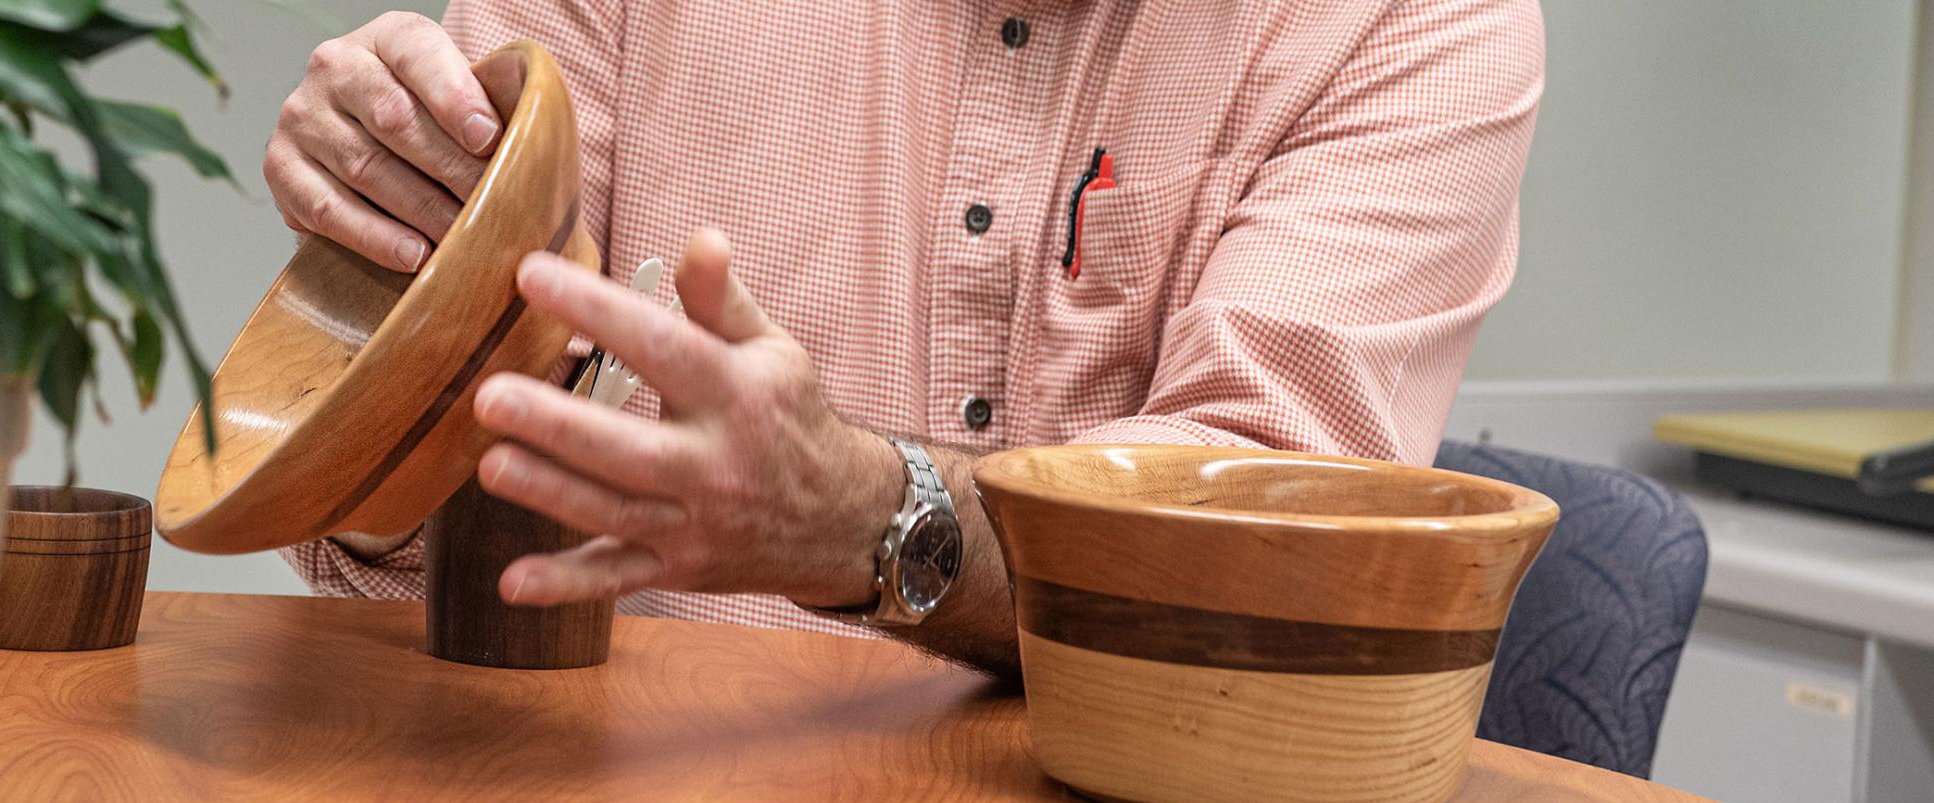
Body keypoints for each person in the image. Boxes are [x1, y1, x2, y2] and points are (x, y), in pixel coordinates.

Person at [264, 1, 1544, 675]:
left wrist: (870, 516)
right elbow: (432, 524)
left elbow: (1278, 564)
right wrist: (390, 248)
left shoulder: (1414, 24)